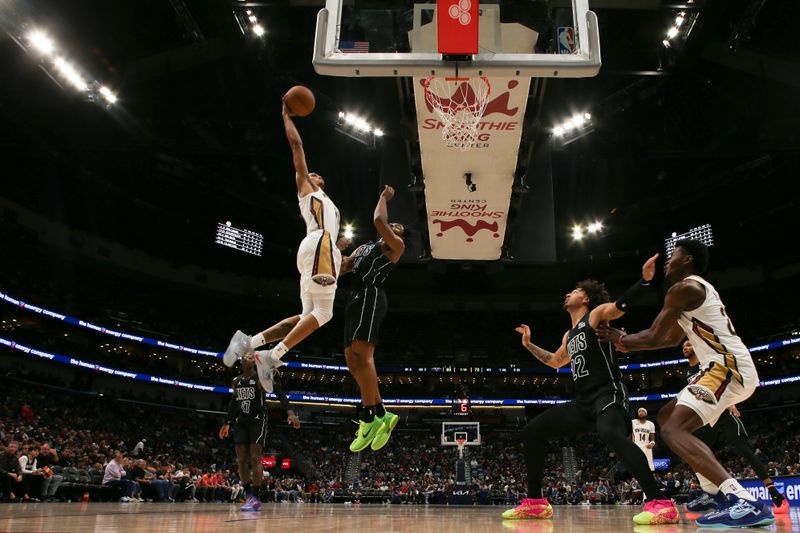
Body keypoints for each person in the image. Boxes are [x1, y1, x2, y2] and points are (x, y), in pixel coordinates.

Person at [598, 239, 774, 528]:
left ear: (688, 260)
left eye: (673, 257)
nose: (667, 262)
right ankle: (713, 493)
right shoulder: (689, 294)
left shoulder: (685, 288)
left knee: (672, 429)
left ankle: (744, 500)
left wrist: (621, 339)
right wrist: (626, 342)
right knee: (667, 416)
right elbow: (669, 339)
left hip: (726, 367)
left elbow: (655, 335)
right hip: (720, 368)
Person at [502, 254, 679, 525]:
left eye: (574, 291)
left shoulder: (596, 316)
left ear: (585, 298)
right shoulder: (568, 335)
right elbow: (554, 362)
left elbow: (619, 307)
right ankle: (536, 502)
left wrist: (643, 282)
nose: (568, 294)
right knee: (532, 431)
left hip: (608, 392)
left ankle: (661, 503)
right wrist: (528, 344)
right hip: (584, 401)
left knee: (608, 431)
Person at [223, 99, 342, 391]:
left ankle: (248, 342)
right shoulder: (307, 188)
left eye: (315, 174)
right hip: (319, 247)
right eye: (311, 173)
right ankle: (271, 357)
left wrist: (341, 247)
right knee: (324, 314)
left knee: (307, 317)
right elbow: (297, 148)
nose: (315, 174)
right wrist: (287, 117)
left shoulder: (327, 203)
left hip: (321, 249)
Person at [339, 185, 410, 452]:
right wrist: (336, 248)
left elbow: (379, 221)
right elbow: (341, 269)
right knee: (351, 361)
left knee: (363, 354)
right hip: (354, 298)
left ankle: (369, 417)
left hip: (372, 296)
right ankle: (381, 414)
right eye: (395, 226)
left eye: (398, 228)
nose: (394, 228)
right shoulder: (364, 248)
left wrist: (382, 197)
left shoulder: (395, 247)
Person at [681, 340, 789, 514]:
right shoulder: (686, 372)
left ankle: (775, 493)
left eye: (688, 344)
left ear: (696, 346)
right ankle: (710, 494)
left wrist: (731, 401)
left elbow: (728, 379)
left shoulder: (707, 362)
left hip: (723, 410)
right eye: (683, 347)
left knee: (744, 450)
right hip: (707, 415)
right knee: (693, 452)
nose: (685, 348)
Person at [219, 352, 301, 511]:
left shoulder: (260, 378)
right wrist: (227, 422)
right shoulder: (236, 381)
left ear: (255, 362)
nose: (246, 357)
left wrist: (290, 413)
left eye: (250, 356)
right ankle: (249, 496)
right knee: (241, 460)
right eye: (245, 355)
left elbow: (280, 394)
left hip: (257, 419)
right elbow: (234, 404)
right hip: (241, 421)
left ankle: (256, 497)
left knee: (255, 457)